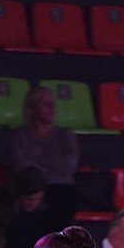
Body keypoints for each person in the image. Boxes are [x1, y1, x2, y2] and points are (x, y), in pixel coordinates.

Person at [10, 86, 79, 224]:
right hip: (30, 189)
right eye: (45, 103)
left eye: (52, 103)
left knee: (62, 201)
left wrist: (36, 159)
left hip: (61, 188)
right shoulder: (20, 135)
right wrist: (52, 163)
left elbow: (69, 166)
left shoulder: (65, 135)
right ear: (32, 107)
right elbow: (21, 166)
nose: (52, 107)